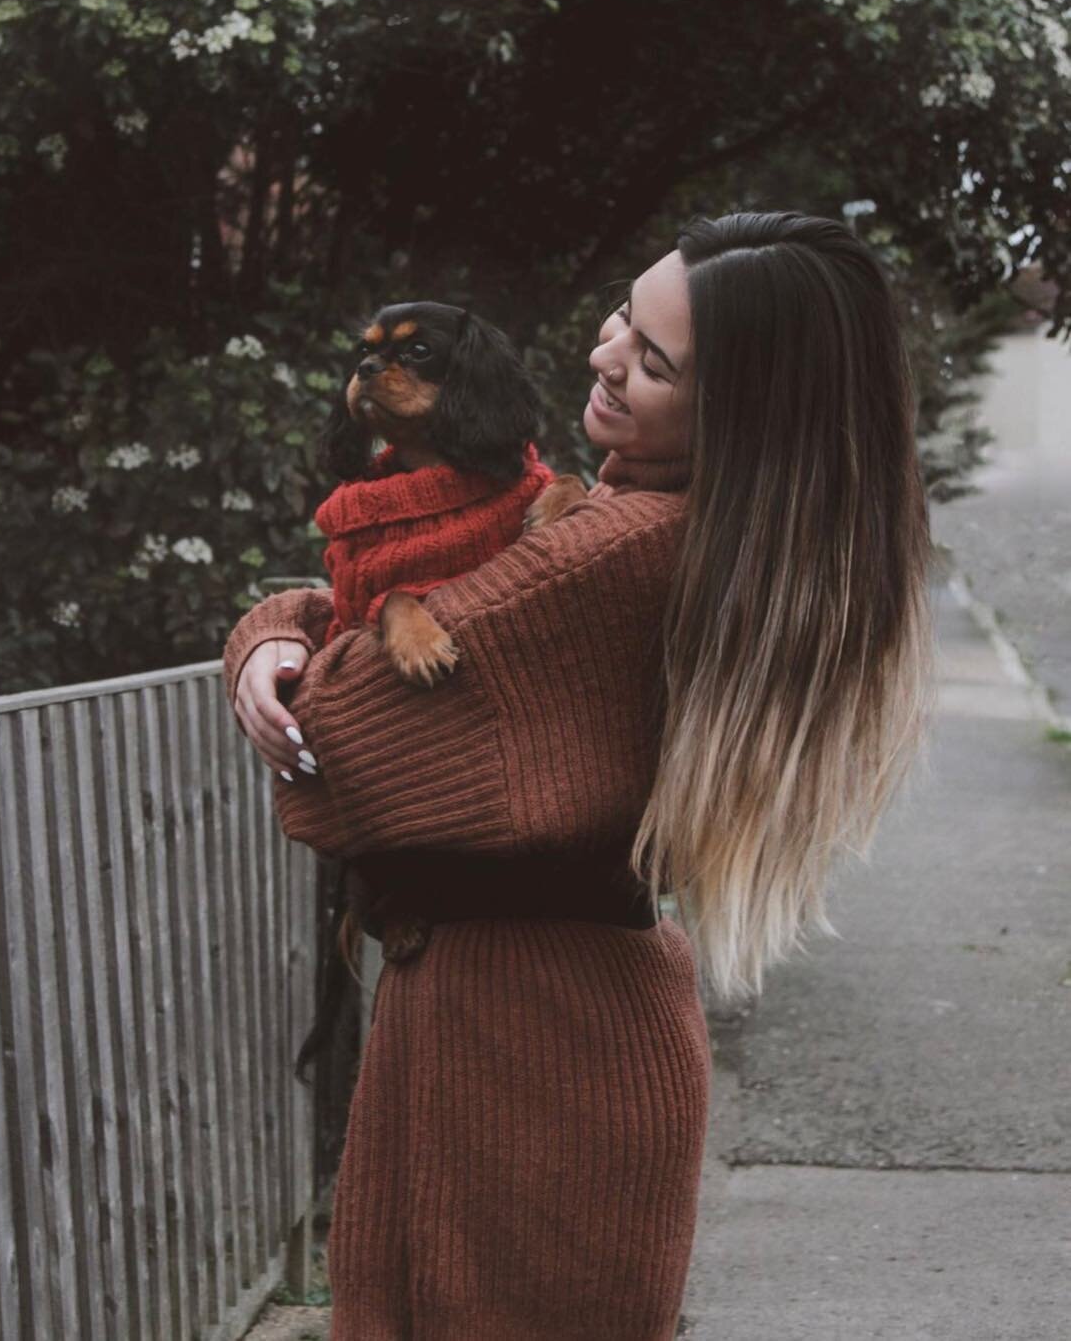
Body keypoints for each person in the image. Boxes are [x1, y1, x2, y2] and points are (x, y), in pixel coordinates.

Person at [223, 210, 937, 1340]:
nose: (605, 353)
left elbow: (341, 746)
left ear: (732, 416)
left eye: (653, 361)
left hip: (529, 1052)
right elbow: (406, 612)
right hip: (540, 1025)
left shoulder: (610, 553)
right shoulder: (665, 529)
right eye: (623, 313)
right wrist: (286, 623)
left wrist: (275, 639)